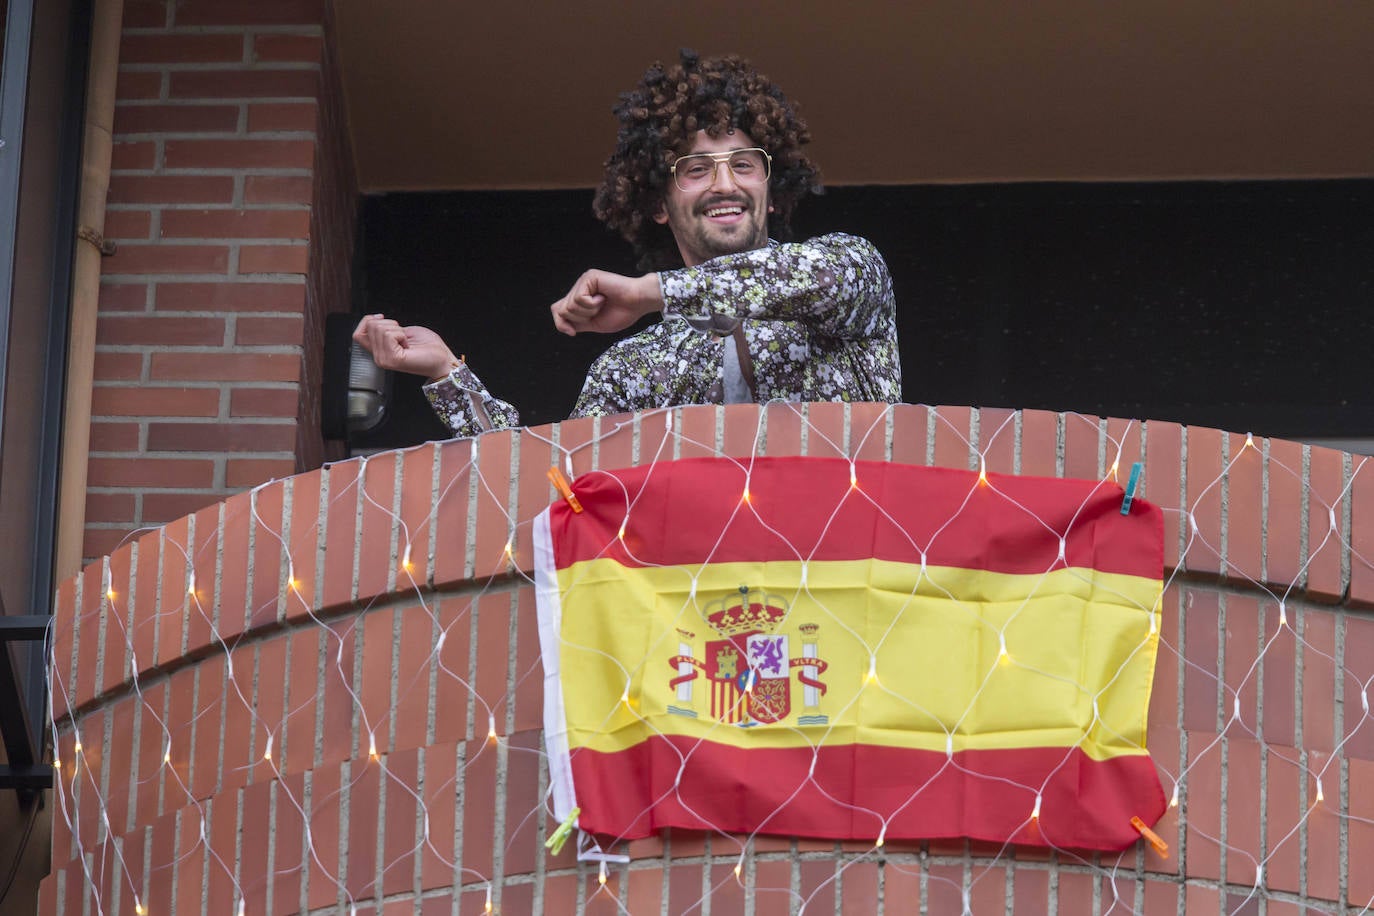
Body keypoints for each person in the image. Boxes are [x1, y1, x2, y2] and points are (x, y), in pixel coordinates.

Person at [353, 50, 901, 438]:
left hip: (847, 586)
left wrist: (648, 293)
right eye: (696, 169)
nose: (726, 184)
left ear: (772, 192)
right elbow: (553, 486)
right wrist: (449, 375)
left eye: (743, 165)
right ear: (659, 203)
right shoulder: (632, 367)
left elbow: (816, 280)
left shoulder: (849, 269)